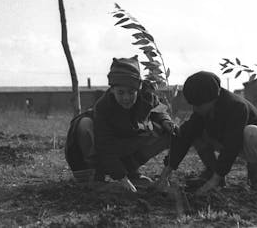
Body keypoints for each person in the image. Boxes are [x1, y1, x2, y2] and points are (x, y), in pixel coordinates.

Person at [65, 56, 176, 192]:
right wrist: (121, 179)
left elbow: (159, 110)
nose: (126, 98)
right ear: (112, 90)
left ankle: (130, 170)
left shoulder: (146, 96)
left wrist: (166, 121)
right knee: (84, 125)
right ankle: (94, 177)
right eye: (121, 92)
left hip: (121, 143)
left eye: (131, 92)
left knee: (162, 131)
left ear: (139, 88)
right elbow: (104, 146)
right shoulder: (103, 108)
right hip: (94, 150)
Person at [156, 71, 257, 194]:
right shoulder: (202, 111)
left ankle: (255, 176)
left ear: (213, 98)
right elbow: (184, 136)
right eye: (193, 105)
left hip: (255, 142)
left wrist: (214, 181)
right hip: (225, 140)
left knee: (252, 133)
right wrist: (166, 173)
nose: (195, 109)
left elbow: (232, 144)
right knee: (194, 133)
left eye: (199, 105)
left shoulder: (237, 107)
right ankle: (212, 172)